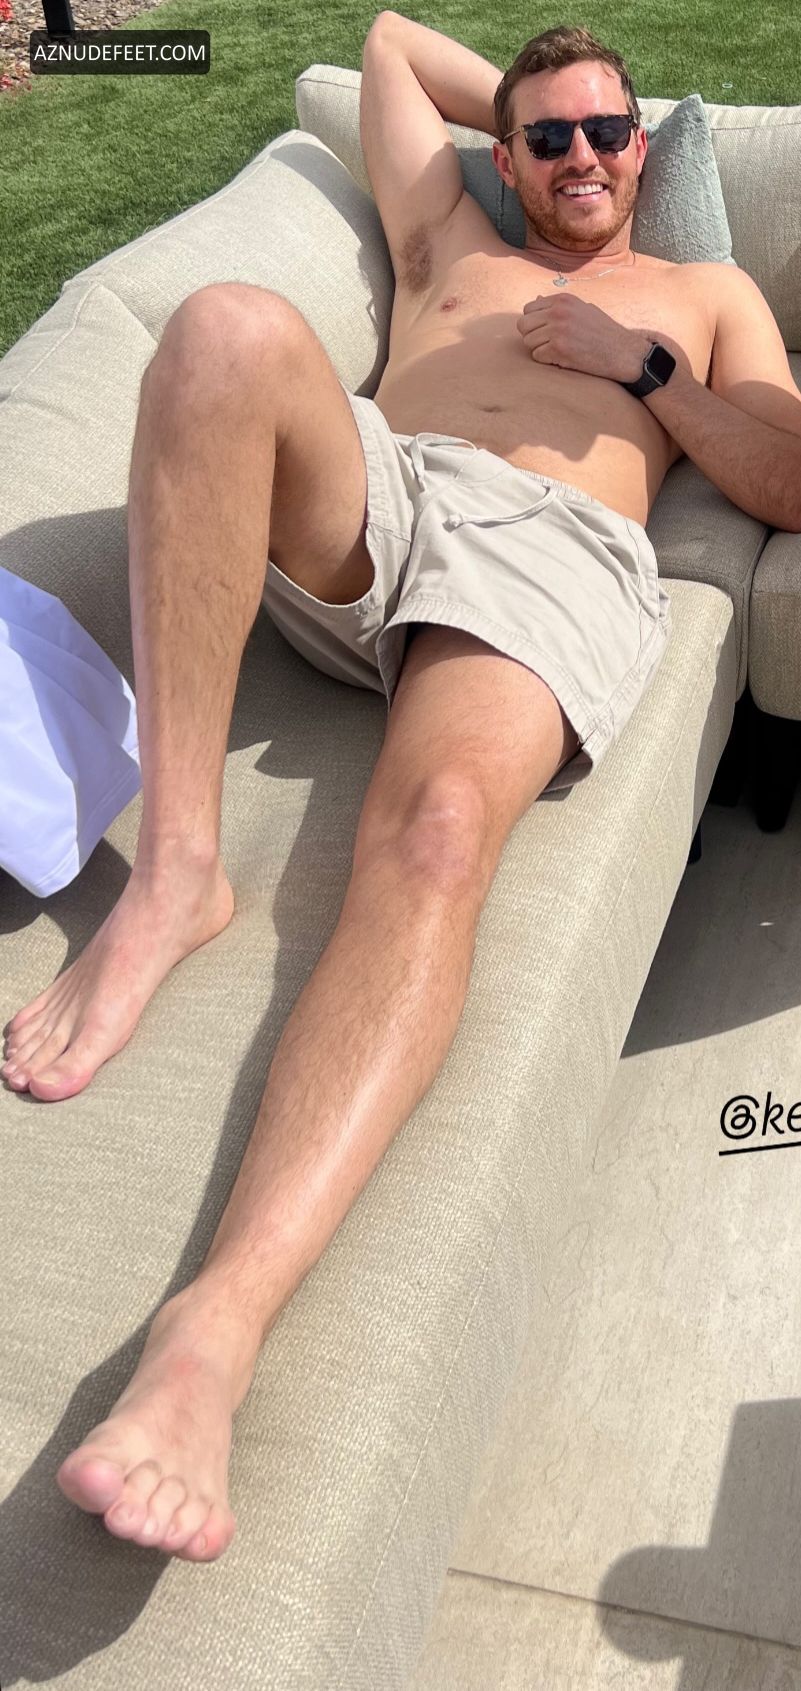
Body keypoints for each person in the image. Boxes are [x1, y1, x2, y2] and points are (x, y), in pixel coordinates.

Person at [4, 17, 801, 1563]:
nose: (583, 157)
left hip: (547, 550)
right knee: (225, 328)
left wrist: (635, 366)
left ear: (646, 147)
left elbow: (785, 475)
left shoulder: (701, 295)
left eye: (612, 131)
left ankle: (209, 1339)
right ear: (502, 154)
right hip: (377, 493)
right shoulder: (448, 234)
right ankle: (179, 873)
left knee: (433, 840)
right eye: (547, 137)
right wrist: (511, 118)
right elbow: (380, 44)